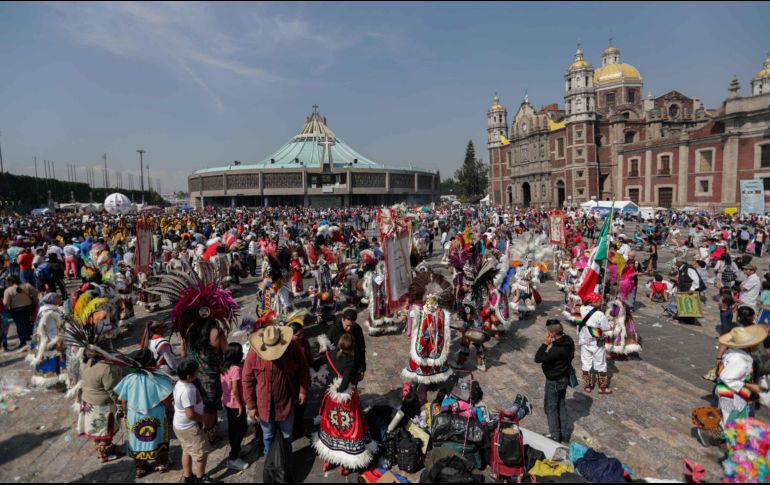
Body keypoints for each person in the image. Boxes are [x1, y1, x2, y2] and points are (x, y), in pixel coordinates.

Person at [314, 333, 377, 476]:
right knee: (348, 428)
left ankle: (328, 460)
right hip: (346, 402)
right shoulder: (350, 362)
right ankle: (345, 464)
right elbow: (343, 387)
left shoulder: (329, 354)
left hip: (331, 399)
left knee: (331, 426)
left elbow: (318, 363)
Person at [242, 325, 310, 457]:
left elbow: (303, 368)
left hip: (286, 401)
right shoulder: (254, 353)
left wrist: (302, 390)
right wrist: (251, 406)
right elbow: (246, 380)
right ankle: (270, 460)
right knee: (268, 435)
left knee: (287, 435)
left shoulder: (292, 348)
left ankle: (287, 460)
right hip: (264, 405)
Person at [114, 349, 174, 478]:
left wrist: (125, 413)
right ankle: (161, 462)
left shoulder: (129, 379)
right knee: (158, 437)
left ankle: (141, 467)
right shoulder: (156, 379)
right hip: (155, 414)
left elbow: (124, 400)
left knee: (137, 440)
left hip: (134, 415)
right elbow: (165, 398)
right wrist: (171, 409)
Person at [716, 326, 767, 428]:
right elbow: (726, 378)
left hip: (734, 393)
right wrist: (749, 386)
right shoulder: (739, 359)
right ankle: (715, 437)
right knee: (730, 423)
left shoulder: (739, 355)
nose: (757, 345)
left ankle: (722, 438)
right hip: (730, 395)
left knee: (731, 421)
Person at [534, 319, 575, 444]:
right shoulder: (569, 340)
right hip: (564, 378)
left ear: (551, 333)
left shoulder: (556, 350)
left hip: (554, 381)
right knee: (561, 405)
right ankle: (565, 434)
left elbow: (538, 358)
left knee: (551, 408)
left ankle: (555, 435)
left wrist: (545, 344)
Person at [173, 359, 213, 484]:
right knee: (201, 453)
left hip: (179, 426)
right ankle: (200, 478)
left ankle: (188, 476)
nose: (198, 373)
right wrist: (203, 418)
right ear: (189, 376)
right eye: (197, 372)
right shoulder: (187, 390)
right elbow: (190, 414)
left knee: (187, 450)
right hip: (189, 428)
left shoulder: (178, 384)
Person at [26, 293, 66, 387]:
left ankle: (50, 383)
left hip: (42, 342)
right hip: (49, 342)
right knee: (51, 363)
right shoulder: (49, 312)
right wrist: (58, 343)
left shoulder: (44, 310)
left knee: (45, 363)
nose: (60, 298)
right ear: (52, 300)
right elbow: (52, 329)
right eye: (58, 297)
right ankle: (53, 384)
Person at [220, 343, 249, 471]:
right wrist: (241, 404)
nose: (242, 353)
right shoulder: (236, 369)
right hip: (235, 403)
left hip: (227, 401)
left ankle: (236, 449)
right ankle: (233, 458)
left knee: (234, 428)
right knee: (241, 428)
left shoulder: (224, 366)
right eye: (241, 351)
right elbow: (235, 389)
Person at [578, 293, 613, 394]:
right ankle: (602, 388)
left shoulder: (580, 309)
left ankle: (587, 387)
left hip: (584, 341)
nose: (602, 303)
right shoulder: (600, 314)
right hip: (597, 342)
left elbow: (577, 321)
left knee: (586, 363)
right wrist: (611, 324)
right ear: (593, 302)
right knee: (601, 364)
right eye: (599, 301)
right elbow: (606, 328)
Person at [3, 275, 38, 350]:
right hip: (28, 307)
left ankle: (23, 341)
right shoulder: (27, 285)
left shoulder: (8, 290)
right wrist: (36, 303)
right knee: (28, 322)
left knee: (20, 325)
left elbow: (6, 303)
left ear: (10, 281)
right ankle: (30, 337)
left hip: (16, 310)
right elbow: (35, 293)